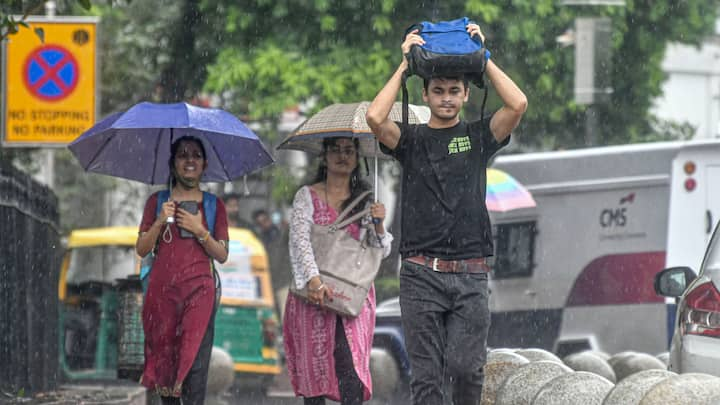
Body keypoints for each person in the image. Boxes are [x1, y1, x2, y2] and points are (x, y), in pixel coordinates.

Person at [366, 22, 528, 405]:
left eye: (454, 91)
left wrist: (482, 57)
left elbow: (518, 104)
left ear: (466, 94)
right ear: (425, 93)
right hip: (420, 274)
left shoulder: (478, 137)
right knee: (427, 380)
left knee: (467, 369)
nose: (446, 98)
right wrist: (405, 65)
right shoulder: (411, 139)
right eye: (438, 91)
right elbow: (375, 118)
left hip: (470, 274)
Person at [283, 137, 393, 405]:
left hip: (352, 297)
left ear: (357, 157)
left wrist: (378, 225)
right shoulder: (306, 196)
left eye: (349, 151)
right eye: (335, 150)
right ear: (324, 155)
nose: (342, 156)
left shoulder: (367, 202)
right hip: (312, 295)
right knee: (315, 376)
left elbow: (378, 251)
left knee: (351, 368)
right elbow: (299, 241)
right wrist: (314, 281)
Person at [136, 136, 229, 404]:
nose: (190, 160)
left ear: (204, 164)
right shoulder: (157, 202)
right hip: (162, 295)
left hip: (200, 293)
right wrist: (158, 222)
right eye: (183, 155)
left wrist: (200, 230)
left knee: (195, 365)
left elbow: (221, 255)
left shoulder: (213, 206)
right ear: (173, 164)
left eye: (196, 155)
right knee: (165, 365)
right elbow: (142, 249)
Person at [253, 208, 293, 316]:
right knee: (272, 319)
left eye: (265, 220)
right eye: (260, 223)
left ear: (269, 219)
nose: (264, 224)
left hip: (284, 283)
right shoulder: (259, 241)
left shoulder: (282, 233)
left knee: (286, 316)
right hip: (268, 285)